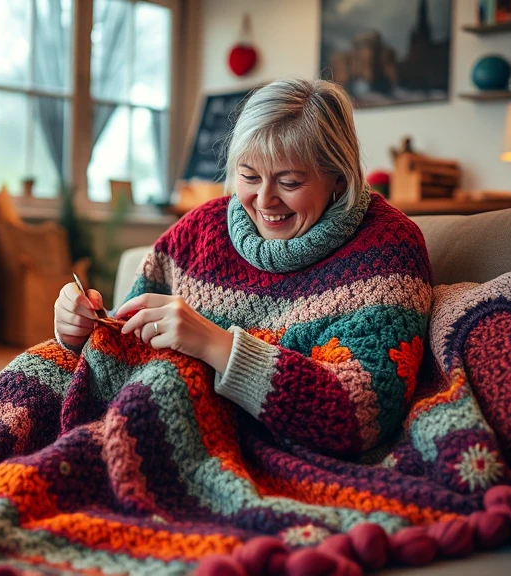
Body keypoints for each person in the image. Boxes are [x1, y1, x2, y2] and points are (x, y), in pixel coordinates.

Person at [54, 78, 432, 455]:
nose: (265, 199)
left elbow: (358, 414)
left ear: (338, 178)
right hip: (149, 429)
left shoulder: (386, 250)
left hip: (248, 457)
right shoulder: (198, 232)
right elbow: (121, 349)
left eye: (289, 181)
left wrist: (215, 345)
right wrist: (78, 333)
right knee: (37, 369)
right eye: (249, 176)